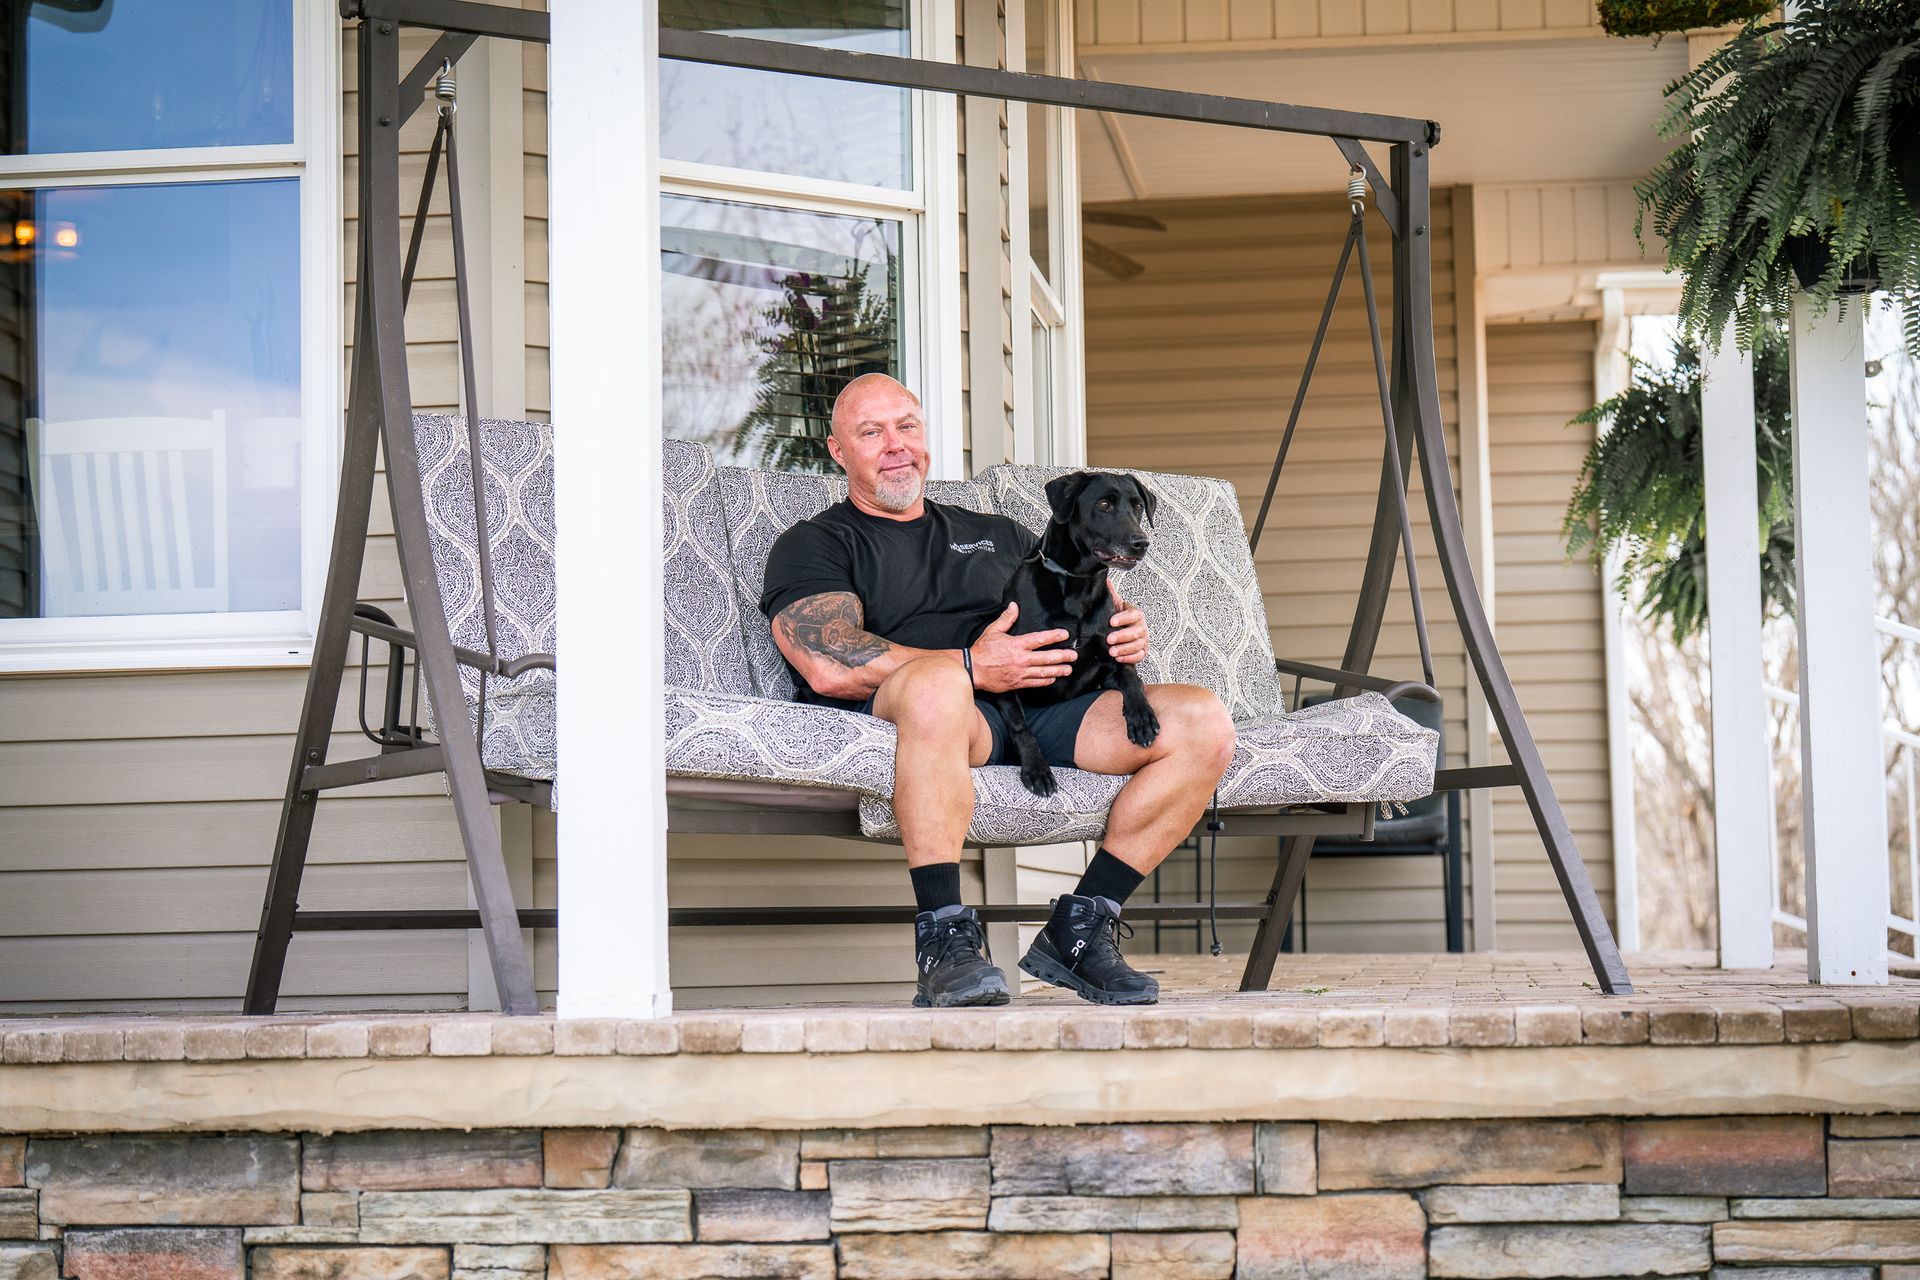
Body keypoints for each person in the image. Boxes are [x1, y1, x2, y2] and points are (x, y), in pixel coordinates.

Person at [759, 374, 1236, 1008]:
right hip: (943, 714)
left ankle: (1080, 932)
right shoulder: (819, 541)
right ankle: (946, 943)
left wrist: (1124, 631)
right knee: (936, 684)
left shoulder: (1003, 533)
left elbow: (1090, 602)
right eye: (870, 432)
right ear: (838, 451)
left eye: (907, 425)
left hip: (1047, 708)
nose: (895, 445)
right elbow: (827, 660)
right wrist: (970, 665)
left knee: (1202, 719)